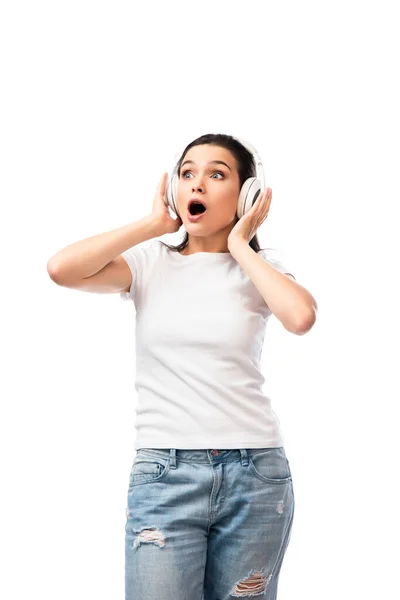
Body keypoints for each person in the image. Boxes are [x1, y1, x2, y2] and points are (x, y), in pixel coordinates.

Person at [47, 132, 318, 599]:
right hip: (164, 473)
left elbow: (301, 317)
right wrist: (153, 224)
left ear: (246, 195)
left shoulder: (258, 270)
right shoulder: (149, 263)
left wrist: (240, 246)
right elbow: (61, 269)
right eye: (188, 173)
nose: (198, 184)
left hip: (255, 475)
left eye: (217, 174)